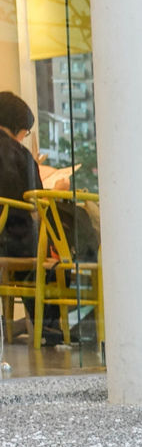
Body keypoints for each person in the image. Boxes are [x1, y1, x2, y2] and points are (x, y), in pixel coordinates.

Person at [0, 91, 65, 345]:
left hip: (5, 237)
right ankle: (49, 328)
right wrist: (57, 191)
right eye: (26, 133)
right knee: (60, 255)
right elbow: (36, 202)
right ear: (19, 128)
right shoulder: (19, 155)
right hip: (12, 241)